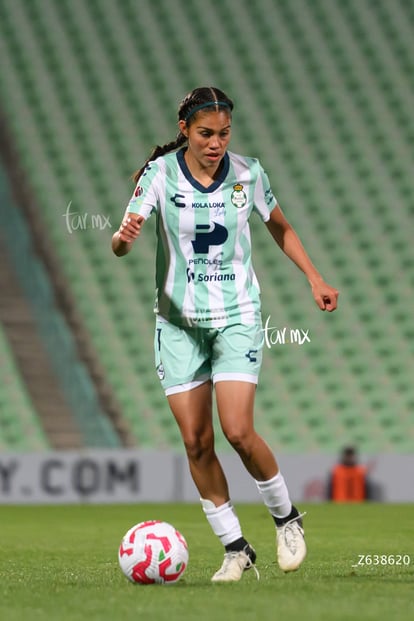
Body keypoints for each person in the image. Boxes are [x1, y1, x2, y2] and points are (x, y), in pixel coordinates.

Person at [112, 86, 339, 582]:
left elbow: (281, 226)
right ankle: (236, 547)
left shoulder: (248, 173)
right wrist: (122, 238)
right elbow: (122, 240)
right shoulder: (159, 174)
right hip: (177, 323)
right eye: (206, 134)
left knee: (237, 430)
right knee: (196, 441)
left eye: (224, 133)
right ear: (185, 132)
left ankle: (287, 518)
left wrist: (314, 277)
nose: (217, 143)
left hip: (237, 314)